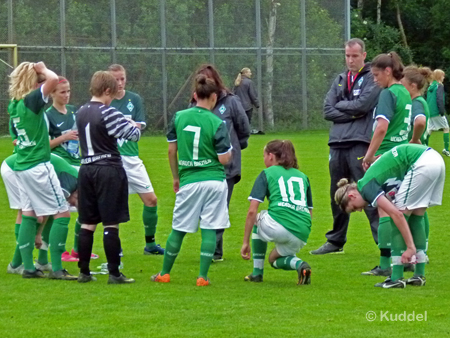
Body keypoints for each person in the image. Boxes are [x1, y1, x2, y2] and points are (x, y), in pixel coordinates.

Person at [151, 74, 232, 286]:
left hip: (189, 180)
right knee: (210, 228)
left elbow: (171, 151)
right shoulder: (217, 122)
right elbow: (224, 159)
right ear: (214, 97)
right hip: (214, 180)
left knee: (179, 228)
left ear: (195, 96)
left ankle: (165, 273)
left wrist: (176, 177)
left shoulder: (179, 117)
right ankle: (202, 277)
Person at [335, 144, 445, 288]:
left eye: (354, 208)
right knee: (417, 216)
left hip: (421, 163)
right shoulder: (370, 180)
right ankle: (419, 275)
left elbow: (397, 215)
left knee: (397, 217)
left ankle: (396, 277)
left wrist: (410, 247)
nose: (360, 210)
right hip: (435, 159)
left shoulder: (365, 187)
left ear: (352, 195)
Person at [311, 38, 380, 256]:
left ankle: (384, 243)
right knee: (337, 192)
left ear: (364, 56)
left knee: (366, 190)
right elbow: (327, 110)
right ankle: (335, 240)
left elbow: (364, 106)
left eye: (354, 56)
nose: (350, 60)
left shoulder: (372, 78)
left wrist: (345, 107)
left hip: (360, 141)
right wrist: (352, 111)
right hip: (337, 142)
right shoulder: (340, 79)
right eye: (347, 56)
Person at [8, 61, 73, 279]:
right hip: (38, 165)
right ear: (33, 81)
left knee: (29, 212)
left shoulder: (14, 104)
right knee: (62, 212)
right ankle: (56, 268)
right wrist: (43, 68)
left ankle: (27, 267)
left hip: (22, 165)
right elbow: (53, 79)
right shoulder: (31, 100)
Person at [76, 71, 141, 284]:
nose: (112, 98)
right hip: (108, 169)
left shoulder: (81, 111)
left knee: (87, 222)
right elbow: (134, 134)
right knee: (111, 223)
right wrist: (132, 124)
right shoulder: (108, 112)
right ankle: (114, 273)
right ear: (106, 91)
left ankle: (84, 272)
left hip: (86, 168)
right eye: (112, 94)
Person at [190, 64, 250, 262]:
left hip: (226, 168)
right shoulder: (193, 105)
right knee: (203, 210)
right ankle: (213, 248)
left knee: (219, 208)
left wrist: (232, 148)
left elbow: (244, 129)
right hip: (201, 167)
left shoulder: (231, 101)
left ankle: (214, 252)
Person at [359, 51, 412, 277]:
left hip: (386, 156)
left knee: (383, 209)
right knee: (401, 208)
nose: (374, 79)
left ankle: (385, 263)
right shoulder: (405, 92)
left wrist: (369, 156)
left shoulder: (388, 94)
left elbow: (381, 127)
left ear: (388, 71)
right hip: (401, 154)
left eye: (376, 74)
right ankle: (408, 257)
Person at [108, 64, 164, 256]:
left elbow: (140, 126)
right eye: (116, 79)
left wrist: (132, 124)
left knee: (151, 200)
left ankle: (150, 244)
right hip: (112, 159)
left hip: (132, 159)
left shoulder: (134, 99)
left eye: (123, 78)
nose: (120, 83)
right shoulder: (104, 101)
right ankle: (115, 246)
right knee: (112, 204)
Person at [241, 140, 312, 285]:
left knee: (257, 216)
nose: (264, 159)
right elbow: (309, 211)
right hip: (302, 231)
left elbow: (251, 211)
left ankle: (257, 273)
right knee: (273, 260)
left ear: (271, 156)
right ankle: (301, 266)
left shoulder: (267, 173)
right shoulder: (303, 177)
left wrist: (245, 242)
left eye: (264, 155)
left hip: (278, 226)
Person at [45, 76, 99, 262]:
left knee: (85, 207)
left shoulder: (75, 111)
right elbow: (44, 146)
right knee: (57, 210)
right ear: (52, 93)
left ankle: (78, 249)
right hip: (60, 166)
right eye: (62, 92)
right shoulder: (48, 115)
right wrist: (64, 137)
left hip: (79, 163)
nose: (67, 95)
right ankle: (53, 252)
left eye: (68, 91)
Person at [3, 153, 79, 278]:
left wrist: (39, 233)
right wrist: (38, 233)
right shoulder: (70, 183)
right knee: (29, 214)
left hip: (27, 166)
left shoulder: (75, 184)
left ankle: (41, 261)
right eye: (75, 203)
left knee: (45, 213)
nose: (72, 205)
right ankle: (17, 264)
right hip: (15, 168)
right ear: (77, 193)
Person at [401, 66, 431, 145]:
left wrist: (415, 139)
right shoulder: (415, 102)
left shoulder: (417, 103)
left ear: (413, 86)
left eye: (402, 85)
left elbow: (420, 122)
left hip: (414, 152)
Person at [426, 69, 450, 156]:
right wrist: (442, 111)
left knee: (429, 130)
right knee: (446, 128)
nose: (444, 77)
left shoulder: (430, 86)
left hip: (429, 111)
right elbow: (439, 99)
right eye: (443, 76)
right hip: (437, 112)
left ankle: (425, 147)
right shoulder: (439, 86)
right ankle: (446, 149)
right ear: (440, 76)